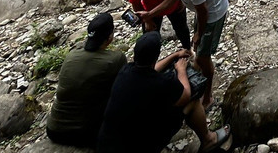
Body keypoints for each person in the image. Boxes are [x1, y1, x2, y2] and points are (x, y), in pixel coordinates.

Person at [96, 32, 229, 153]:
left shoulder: (125, 71)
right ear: (156, 56)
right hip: (136, 148)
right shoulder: (160, 82)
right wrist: (181, 70)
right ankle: (209, 140)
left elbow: (152, 67)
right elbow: (186, 94)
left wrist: (174, 56)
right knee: (193, 101)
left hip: (106, 143)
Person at [151, 0, 228, 109]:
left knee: (203, 57)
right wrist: (150, 14)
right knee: (199, 50)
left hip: (213, 14)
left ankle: (207, 97)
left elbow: (203, 11)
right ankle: (198, 69)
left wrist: (199, 33)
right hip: (203, 12)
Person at [46, 12, 126, 148]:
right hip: (85, 133)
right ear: (110, 37)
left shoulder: (71, 55)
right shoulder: (115, 59)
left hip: (54, 130)